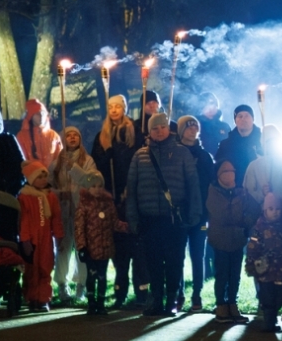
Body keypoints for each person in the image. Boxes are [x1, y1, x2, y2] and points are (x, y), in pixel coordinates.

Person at [125, 113, 203, 316]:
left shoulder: (182, 153)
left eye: (162, 127)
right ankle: (156, 299)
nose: (159, 131)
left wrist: (194, 213)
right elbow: (131, 189)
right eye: (154, 128)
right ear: (149, 131)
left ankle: (172, 299)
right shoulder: (140, 155)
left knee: (174, 261)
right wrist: (132, 217)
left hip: (174, 219)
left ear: (169, 129)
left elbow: (193, 186)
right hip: (149, 218)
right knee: (153, 261)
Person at [90, 95, 141, 307]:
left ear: (124, 108)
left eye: (118, 106)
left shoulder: (133, 132)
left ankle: (141, 292)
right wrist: (107, 155)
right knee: (118, 247)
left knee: (135, 244)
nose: (114, 110)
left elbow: (137, 159)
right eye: (110, 106)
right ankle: (120, 290)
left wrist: (131, 188)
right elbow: (96, 166)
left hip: (131, 194)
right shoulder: (102, 136)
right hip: (110, 195)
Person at [206, 160, 260, 323]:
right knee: (222, 274)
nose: (230, 174)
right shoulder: (213, 192)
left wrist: (245, 222)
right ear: (218, 175)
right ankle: (221, 305)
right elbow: (221, 216)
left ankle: (232, 304)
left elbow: (254, 210)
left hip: (237, 240)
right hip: (220, 241)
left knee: (235, 275)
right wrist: (240, 219)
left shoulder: (241, 193)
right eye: (226, 171)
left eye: (232, 170)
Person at [51, 127, 96, 305]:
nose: (71, 138)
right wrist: (60, 193)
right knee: (63, 247)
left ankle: (81, 285)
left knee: (82, 248)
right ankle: (62, 284)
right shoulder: (57, 162)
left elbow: (91, 181)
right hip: (63, 211)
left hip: (81, 210)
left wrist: (74, 169)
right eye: (68, 135)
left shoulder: (88, 160)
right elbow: (48, 184)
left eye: (75, 135)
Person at [178, 116, 217, 312]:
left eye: (195, 126)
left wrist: (208, 209)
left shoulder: (204, 156)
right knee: (178, 255)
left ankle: (197, 295)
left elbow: (211, 183)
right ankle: (179, 293)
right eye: (189, 126)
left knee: (197, 254)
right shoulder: (175, 153)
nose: (193, 129)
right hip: (179, 212)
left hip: (200, 213)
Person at [18, 160, 63, 312]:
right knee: (31, 269)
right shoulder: (24, 198)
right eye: (39, 177)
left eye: (45, 177)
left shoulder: (50, 197)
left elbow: (56, 218)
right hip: (31, 239)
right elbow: (23, 220)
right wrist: (24, 239)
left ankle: (43, 298)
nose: (44, 180)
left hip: (46, 240)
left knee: (45, 266)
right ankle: (32, 298)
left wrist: (59, 235)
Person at [72, 166, 116, 315]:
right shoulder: (84, 205)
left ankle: (101, 304)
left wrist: (127, 227)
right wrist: (81, 246)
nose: (97, 189)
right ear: (87, 187)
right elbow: (79, 227)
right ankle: (91, 304)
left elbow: (114, 222)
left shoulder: (108, 204)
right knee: (91, 276)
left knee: (102, 276)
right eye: (93, 186)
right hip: (90, 249)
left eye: (99, 186)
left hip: (104, 247)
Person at [247, 193, 282, 332]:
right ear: (265, 210)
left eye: (278, 209)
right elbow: (252, 247)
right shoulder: (259, 227)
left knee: (279, 296)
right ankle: (269, 322)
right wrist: (251, 263)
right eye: (271, 209)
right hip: (265, 270)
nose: (275, 212)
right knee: (267, 297)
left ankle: (272, 318)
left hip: (280, 269)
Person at [214, 105, 264, 186]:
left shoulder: (263, 141)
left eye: (247, 116)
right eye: (240, 116)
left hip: (259, 187)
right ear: (235, 121)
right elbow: (221, 168)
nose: (243, 119)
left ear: (253, 119)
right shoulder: (226, 145)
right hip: (235, 189)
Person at [14, 99, 61, 170]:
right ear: (31, 116)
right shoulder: (21, 136)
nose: (41, 116)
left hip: (52, 178)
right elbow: (20, 160)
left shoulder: (54, 136)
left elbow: (60, 158)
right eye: (38, 113)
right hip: (31, 178)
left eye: (43, 113)